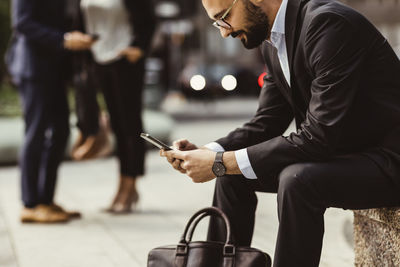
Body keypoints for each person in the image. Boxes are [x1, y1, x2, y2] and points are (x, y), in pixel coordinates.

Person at [161, 0, 400, 266]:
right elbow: (266, 123)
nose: (224, 32)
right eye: (217, 23)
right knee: (231, 175)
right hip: (345, 155)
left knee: (297, 179)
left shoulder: (328, 24)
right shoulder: (274, 40)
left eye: (224, 17)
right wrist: (210, 153)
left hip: (388, 160)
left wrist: (221, 163)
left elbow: (317, 137)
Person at [5, 0, 96, 223]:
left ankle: (45, 200)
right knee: (35, 132)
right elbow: (22, 22)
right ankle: (30, 204)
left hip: (55, 69)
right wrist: (63, 39)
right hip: (34, 68)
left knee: (61, 131)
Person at [77, 0, 156, 213]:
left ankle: (129, 184)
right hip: (98, 58)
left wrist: (139, 47)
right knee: (116, 126)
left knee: (130, 124)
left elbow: (149, 18)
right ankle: (123, 184)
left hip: (124, 58)